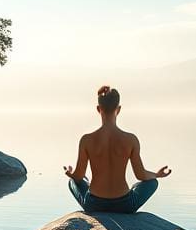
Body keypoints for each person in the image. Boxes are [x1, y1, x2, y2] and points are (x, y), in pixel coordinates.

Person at [63, 85, 172, 214]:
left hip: (94, 204)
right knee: (152, 182)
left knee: (73, 182)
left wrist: (70, 173)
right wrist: (157, 175)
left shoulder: (86, 140)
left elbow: (78, 176)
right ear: (118, 109)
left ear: (98, 109)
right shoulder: (131, 139)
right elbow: (141, 175)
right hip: (124, 205)